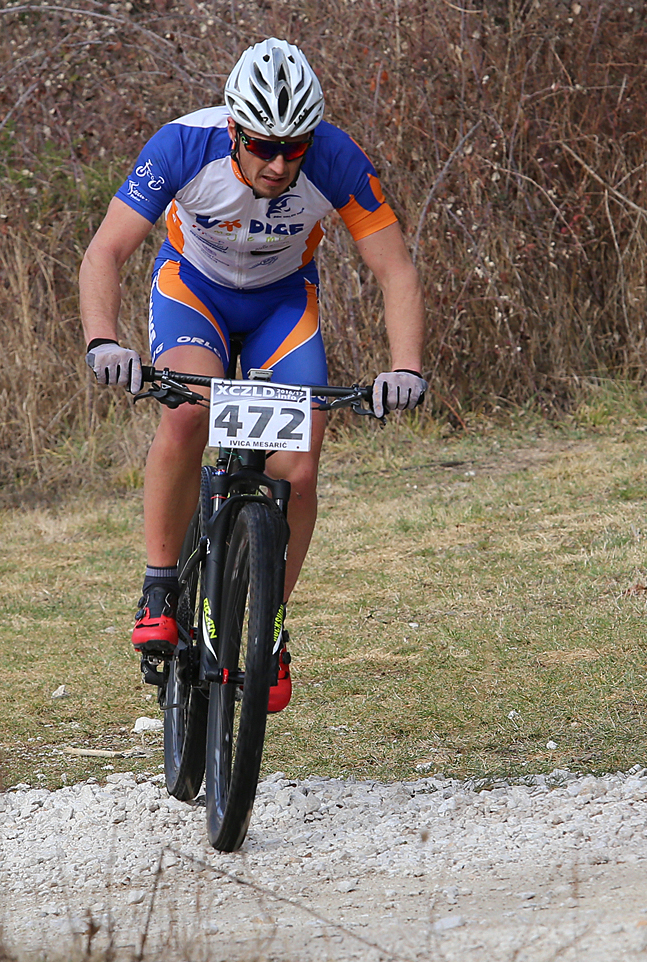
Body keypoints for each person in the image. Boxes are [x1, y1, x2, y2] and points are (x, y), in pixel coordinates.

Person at [78, 37, 425, 713]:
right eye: (263, 145)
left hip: (281, 303)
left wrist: (405, 368)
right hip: (194, 291)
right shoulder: (183, 145)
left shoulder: (335, 159)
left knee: (298, 467)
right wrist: (103, 342)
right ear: (235, 129)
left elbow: (396, 269)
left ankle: (268, 625)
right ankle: (158, 584)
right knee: (188, 409)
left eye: (293, 147)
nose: (278, 162)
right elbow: (106, 250)